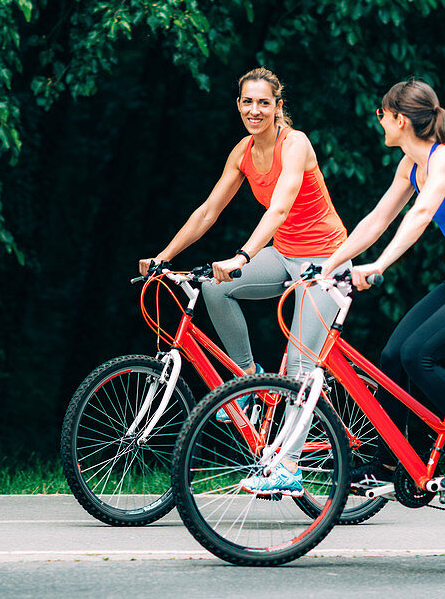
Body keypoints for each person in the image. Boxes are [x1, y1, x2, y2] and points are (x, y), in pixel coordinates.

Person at [140, 67, 350, 496]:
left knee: (298, 364)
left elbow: (278, 209)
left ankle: (289, 467)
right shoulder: (242, 151)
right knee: (215, 287)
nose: (255, 110)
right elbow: (208, 211)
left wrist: (243, 255)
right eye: (247, 102)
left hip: (327, 261)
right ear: (238, 105)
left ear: (278, 107)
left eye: (264, 103)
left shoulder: (296, 145)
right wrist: (165, 256)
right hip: (285, 253)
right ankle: (248, 384)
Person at [321, 78, 445, 490]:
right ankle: (389, 464)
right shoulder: (408, 165)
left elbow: (421, 213)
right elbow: (378, 219)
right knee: (393, 356)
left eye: (381, 114)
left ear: (399, 118)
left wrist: (378, 264)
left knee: (419, 355)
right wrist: (328, 264)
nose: (378, 121)